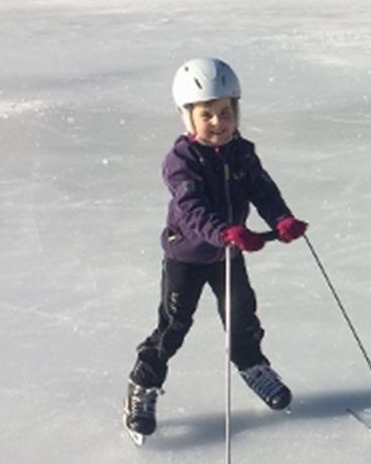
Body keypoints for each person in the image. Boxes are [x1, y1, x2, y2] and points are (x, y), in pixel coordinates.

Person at [124, 57, 309, 441]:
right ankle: (143, 383)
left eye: (225, 112)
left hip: (228, 254)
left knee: (242, 317)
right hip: (187, 257)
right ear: (188, 117)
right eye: (206, 114)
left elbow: (262, 190)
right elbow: (192, 210)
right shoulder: (180, 161)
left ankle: (252, 366)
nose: (218, 122)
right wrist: (225, 232)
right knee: (174, 326)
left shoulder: (242, 152)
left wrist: (281, 219)